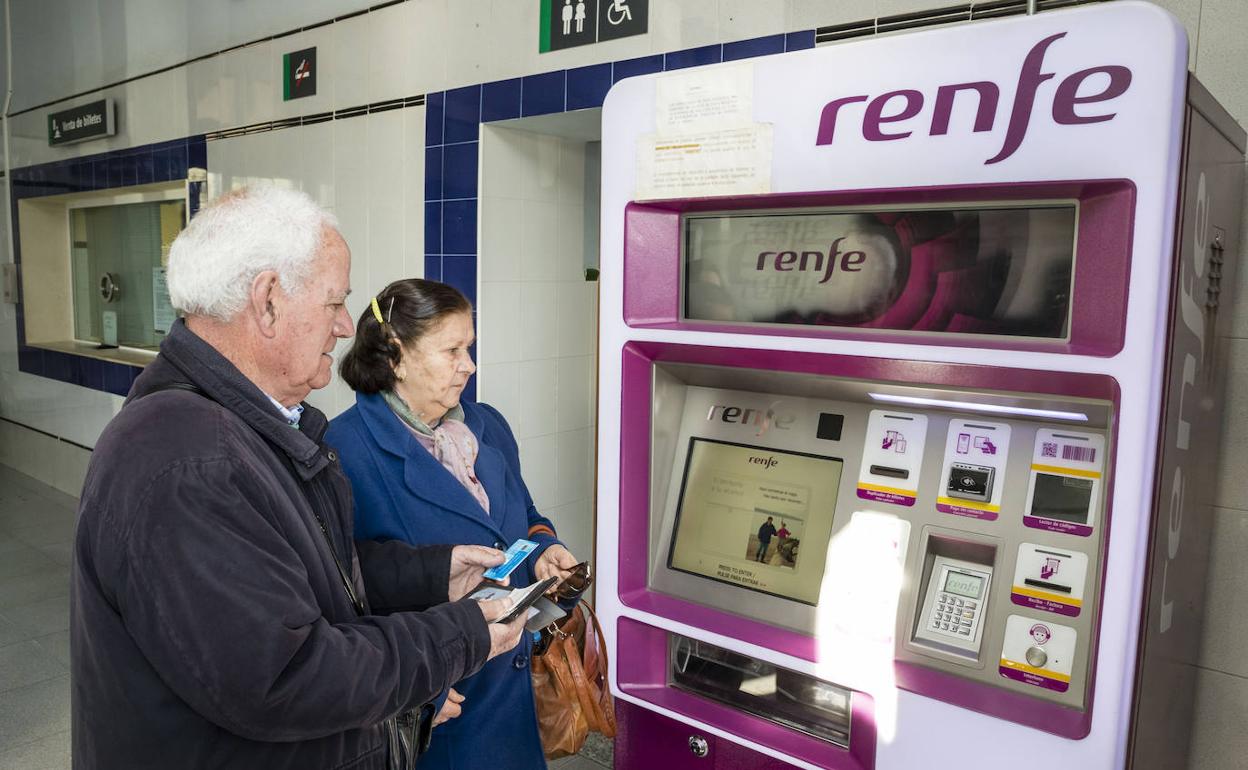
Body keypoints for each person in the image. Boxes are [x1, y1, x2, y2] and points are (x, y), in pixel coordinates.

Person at [71, 186, 527, 770]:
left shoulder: (244, 428)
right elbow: (283, 677)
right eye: (334, 301)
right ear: (267, 302)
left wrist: (433, 573)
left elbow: (309, 580)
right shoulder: (191, 461)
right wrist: (458, 636)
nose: (344, 326)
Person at [327, 278, 583, 770]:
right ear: (395, 356)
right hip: (438, 706)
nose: (469, 365)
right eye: (452, 350)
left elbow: (525, 517)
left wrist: (545, 546)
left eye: (470, 347)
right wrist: (404, 695)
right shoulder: (344, 451)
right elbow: (341, 597)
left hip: (511, 695)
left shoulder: (486, 424)